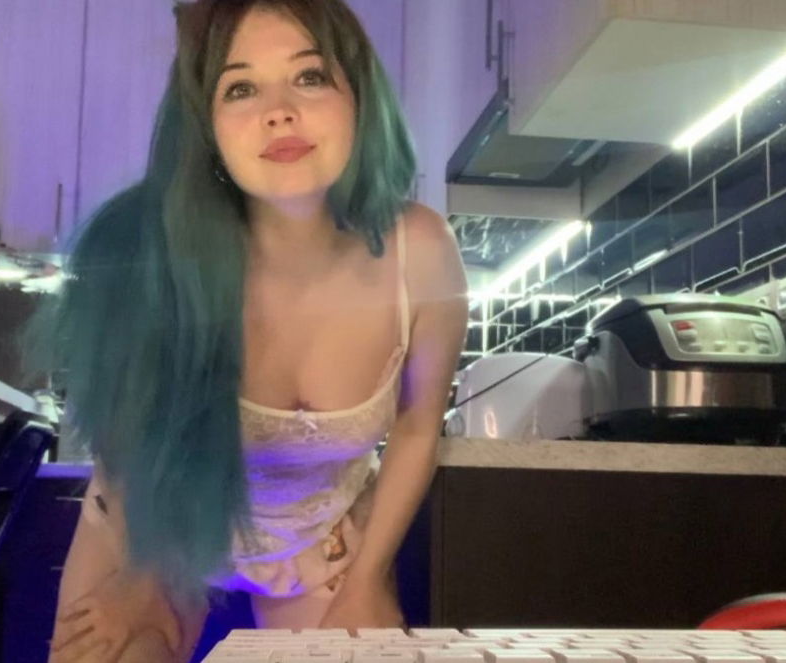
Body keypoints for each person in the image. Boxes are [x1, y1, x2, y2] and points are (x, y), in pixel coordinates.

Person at [27, 1, 468, 661]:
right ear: (206, 126)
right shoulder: (150, 252)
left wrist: (368, 579)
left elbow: (417, 426)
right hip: (156, 531)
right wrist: (139, 575)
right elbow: (127, 442)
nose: (279, 112)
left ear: (359, 95)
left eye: (310, 77)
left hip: (319, 542)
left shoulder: (422, 252)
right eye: (240, 88)